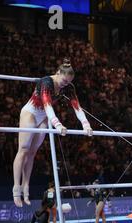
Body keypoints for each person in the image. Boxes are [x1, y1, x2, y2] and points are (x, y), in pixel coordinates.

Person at [12, 59, 93, 207]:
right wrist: (57, 123)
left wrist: (86, 124)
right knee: (23, 150)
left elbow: (77, 107)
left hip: (43, 117)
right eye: (63, 80)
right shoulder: (46, 82)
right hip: (30, 112)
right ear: (57, 73)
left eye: (68, 82)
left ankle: (26, 186)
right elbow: (47, 104)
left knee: (32, 153)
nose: (65, 84)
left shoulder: (68, 87)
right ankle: (16, 188)